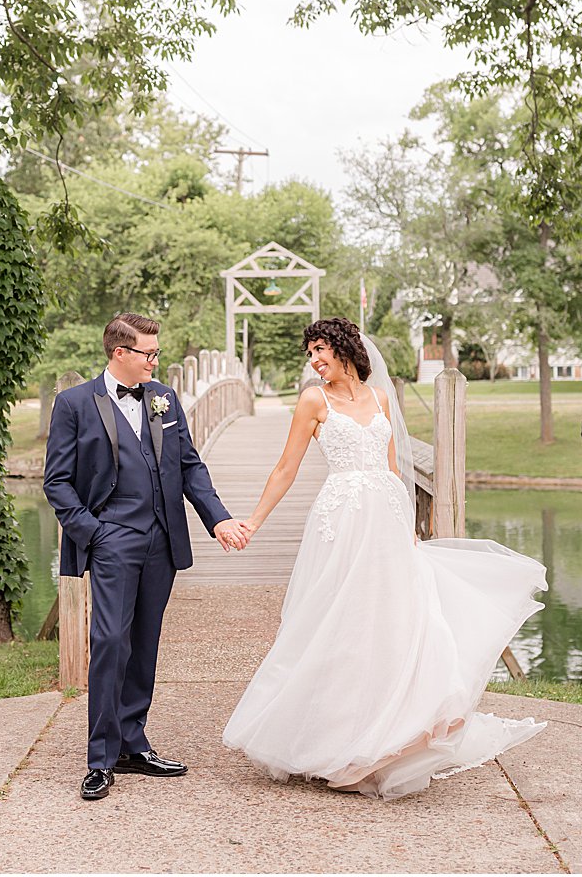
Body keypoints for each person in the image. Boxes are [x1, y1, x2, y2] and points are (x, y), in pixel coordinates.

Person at [222, 317, 547, 800]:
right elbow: (286, 467)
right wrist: (253, 520)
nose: (314, 360)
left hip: (386, 522)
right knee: (338, 621)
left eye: (319, 350)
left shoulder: (381, 398)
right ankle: (331, 738)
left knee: (394, 620)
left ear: (343, 347)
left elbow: (395, 468)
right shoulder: (314, 399)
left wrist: (409, 528)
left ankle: (389, 734)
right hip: (341, 522)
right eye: (309, 353)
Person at [43, 313, 251, 801]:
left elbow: (189, 465)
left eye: (156, 353)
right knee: (111, 640)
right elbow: (56, 480)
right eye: (149, 353)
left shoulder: (164, 398)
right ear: (119, 352)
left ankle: (132, 743)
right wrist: (93, 533)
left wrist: (217, 518)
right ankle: (100, 758)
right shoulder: (74, 403)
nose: (156, 361)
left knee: (144, 641)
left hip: (161, 540)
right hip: (112, 538)